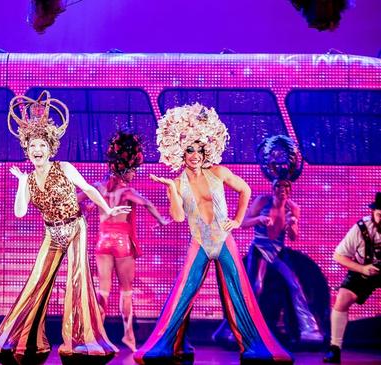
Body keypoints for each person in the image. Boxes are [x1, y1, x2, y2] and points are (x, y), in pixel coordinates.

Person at [135, 103, 293, 364]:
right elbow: (177, 217)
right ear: (181, 153)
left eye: (199, 150)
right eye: (189, 150)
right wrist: (172, 191)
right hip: (198, 241)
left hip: (223, 240)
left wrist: (239, 219)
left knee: (237, 292)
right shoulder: (176, 183)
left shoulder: (218, 172)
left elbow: (245, 190)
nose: (195, 155)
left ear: (205, 151)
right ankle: (167, 345)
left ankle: (253, 345)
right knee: (184, 292)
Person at [0, 91, 128, 364]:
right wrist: (20, 183)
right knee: (37, 281)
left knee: (77, 281)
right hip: (51, 233)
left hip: (75, 228)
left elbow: (87, 188)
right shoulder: (26, 179)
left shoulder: (64, 167)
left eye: (41, 146)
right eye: (32, 147)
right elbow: (19, 213)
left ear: (50, 149)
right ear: (26, 150)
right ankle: (25, 342)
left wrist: (108, 209)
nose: (37, 151)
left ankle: (81, 344)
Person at [213, 135, 323, 345]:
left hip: (278, 250)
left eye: (285, 189)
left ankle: (310, 330)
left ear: (289, 190)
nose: (281, 192)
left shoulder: (293, 208)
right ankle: (233, 330)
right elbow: (241, 223)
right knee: (255, 287)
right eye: (278, 188)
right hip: (260, 249)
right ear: (273, 189)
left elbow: (294, 238)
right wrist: (258, 219)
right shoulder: (262, 201)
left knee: (294, 285)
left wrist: (292, 226)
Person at [79, 131, 169, 352]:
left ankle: (96, 336)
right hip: (122, 243)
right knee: (126, 290)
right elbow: (147, 203)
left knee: (104, 290)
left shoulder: (98, 187)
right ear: (126, 169)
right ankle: (128, 336)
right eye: (133, 171)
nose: (135, 174)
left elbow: (78, 198)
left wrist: (84, 211)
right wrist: (161, 220)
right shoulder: (127, 190)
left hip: (102, 241)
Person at [323, 192, 381, 364]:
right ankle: (335, 348)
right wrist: (362, 268)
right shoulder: (361, 228)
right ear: (373, 212)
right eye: (380, 215)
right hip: (363, 269)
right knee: (342, 298)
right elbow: (338, 256)